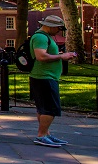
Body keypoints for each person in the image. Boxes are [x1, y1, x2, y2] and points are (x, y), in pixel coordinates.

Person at [29, 15, 77, 147]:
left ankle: (46, 134)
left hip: (45, 76)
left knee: (43, 108)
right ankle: (42, 135)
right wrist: (62, 56)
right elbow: (41, 56)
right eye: (59, 28)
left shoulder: (46, 37)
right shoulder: (40, 37)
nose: (59, 31)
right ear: (50, 26)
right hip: (44, 76)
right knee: (50, 109)